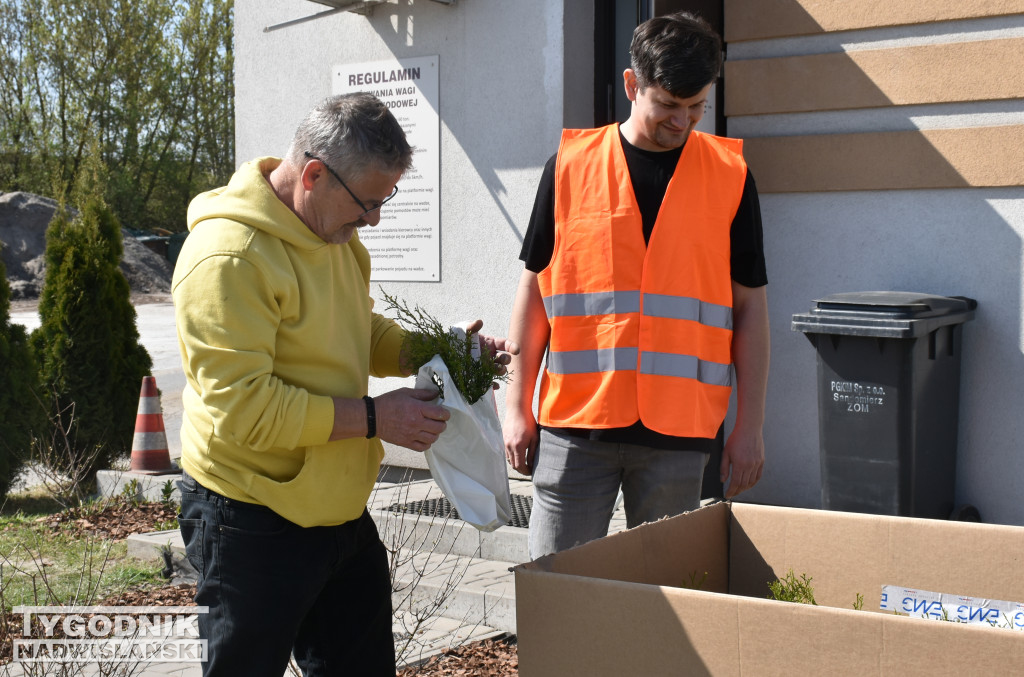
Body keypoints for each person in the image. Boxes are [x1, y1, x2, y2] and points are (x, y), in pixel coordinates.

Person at [172, 93, 515, 676]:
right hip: (250, 515)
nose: (374, 220)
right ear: (313, 174)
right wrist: (380, 418)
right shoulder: (229, 260)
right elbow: (245, 411)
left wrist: (435, 351)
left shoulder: (334, 236)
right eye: (368, 203)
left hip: (336, 514)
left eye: (385, 202)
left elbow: (359, 327)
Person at [503, 11, 770, 560]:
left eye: (698, 106)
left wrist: (750, 427)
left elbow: (751, 310)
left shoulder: (731, 177)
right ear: (632, 84)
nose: (685, 121)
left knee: (668, 599)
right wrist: (516, 407)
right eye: (670, 105)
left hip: (680, 432)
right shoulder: (569, 168)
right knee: (558, 594)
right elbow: (534, 297)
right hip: (576, 428)